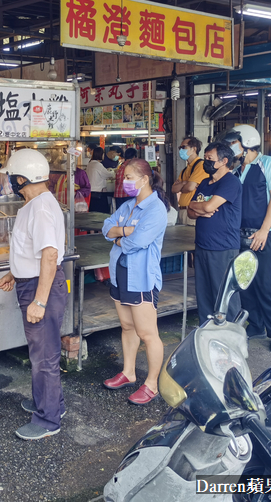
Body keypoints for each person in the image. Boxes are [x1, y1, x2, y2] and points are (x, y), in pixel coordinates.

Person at [0, 149, 68, 440]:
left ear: (21, 178)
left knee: (44, 355)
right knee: (42, 350)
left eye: (10, 178)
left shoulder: (39, 208)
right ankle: (50, 403)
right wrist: (14, 272)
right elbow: (33, 250)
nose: (8, 183)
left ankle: (48, 420)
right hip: (33, 281)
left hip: (43, 286)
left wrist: (39, 300)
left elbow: (49, 255)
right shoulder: (36, 203)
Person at [101, 159, 169, 405]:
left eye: (130, 177)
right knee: (127, 327)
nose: (125, 182)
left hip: (141, 277)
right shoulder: (129, 206)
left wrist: (121, 236)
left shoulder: (156, 210)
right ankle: (128, 372)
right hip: (120, 273)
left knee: (147, 333)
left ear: (145, 179)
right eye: (124, 177)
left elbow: (135, 244)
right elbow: (106, 228)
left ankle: (152, 384)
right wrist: (125, 230)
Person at [223, 125, 271, 352]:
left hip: (264, 233)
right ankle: (256, 325)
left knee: (267, 283)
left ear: (246, 143)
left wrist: (264, 230)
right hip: (239, 233)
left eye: (234, 143)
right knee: (244, 281)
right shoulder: (237, 169)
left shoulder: (268, 163)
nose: (231, 148)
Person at [188, 142, 243, 323]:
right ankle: (208, 333)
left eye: (209, 159)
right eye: (205, 158)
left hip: (222, 248)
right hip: (202, 245)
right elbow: (189, 210)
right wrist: (200, 208)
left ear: (224, 161)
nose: (206, 161)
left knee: (225, 295)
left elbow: (210, 206)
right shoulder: (205, 182)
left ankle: (232, 336)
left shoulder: (230, 182)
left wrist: (203, 208)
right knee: (204, 295)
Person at [172, 136, 208, 227]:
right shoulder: (185, 169)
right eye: (180, 148)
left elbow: (190, 187)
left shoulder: (201, 165)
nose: (181, 150)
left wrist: (183, 184)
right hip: (182, 211)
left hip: (193, 211)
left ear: (194, 149)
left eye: (184, 147)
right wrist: (185, 183)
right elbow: (173, 189)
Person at [86, 147, 114, 214]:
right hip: (98, 193)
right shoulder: (98, 165)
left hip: (91, 192)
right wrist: (113, 171)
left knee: (92, 212)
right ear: (100, 154)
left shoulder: (90, 164)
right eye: (103, 154)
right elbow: (108, 175)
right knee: (101, 213)